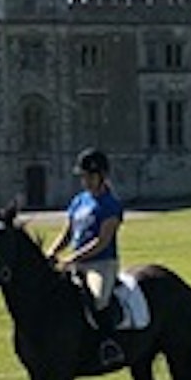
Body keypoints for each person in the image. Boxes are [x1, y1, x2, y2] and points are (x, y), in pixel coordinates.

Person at [46, 147, 125, 365]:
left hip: (101, 264)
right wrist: (52, 252)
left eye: (90, 176)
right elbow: (67, 232)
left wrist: (73, 258)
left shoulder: (111, 205)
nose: (86, 181)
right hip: (77, 262)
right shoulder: (79, 201)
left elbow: (102, 241)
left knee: (98, 297)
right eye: (83, 176)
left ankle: (109, 344)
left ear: (102, 176)